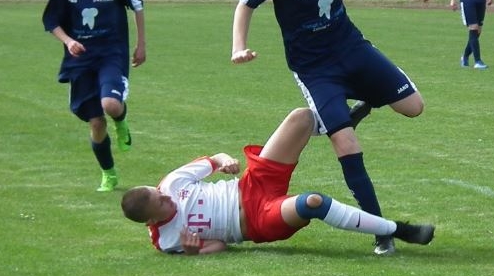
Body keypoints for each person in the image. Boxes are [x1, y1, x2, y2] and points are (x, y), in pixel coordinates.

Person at [230, 0, 434, 255]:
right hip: (316, 70)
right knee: (345, 142)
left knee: (414, 107)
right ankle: (381, 232)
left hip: (352, 49)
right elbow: (245, 3)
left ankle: (354, 106)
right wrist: (239, 46)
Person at [121, 108, 435, 255]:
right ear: (151, 219)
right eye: (161, 201)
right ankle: (399, 230)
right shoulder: (166, 240)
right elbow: (220, 245)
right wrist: (196, 252)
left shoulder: (172, 183)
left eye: (158, 191)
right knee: (313, 202)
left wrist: (225, 160)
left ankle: (339, 124)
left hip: (250, 184)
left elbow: (215, 159)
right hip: (257, 221)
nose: (166, 195)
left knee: (302, 117)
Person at [42, 0, 146, 192]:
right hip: (81, 61)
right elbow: (51, 21)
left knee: (111, 105)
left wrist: (141, 44)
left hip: (112, 55)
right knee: (97, 123)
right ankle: (108, 174)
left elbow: (138, 6)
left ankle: (121, 122)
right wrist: (69, 41)